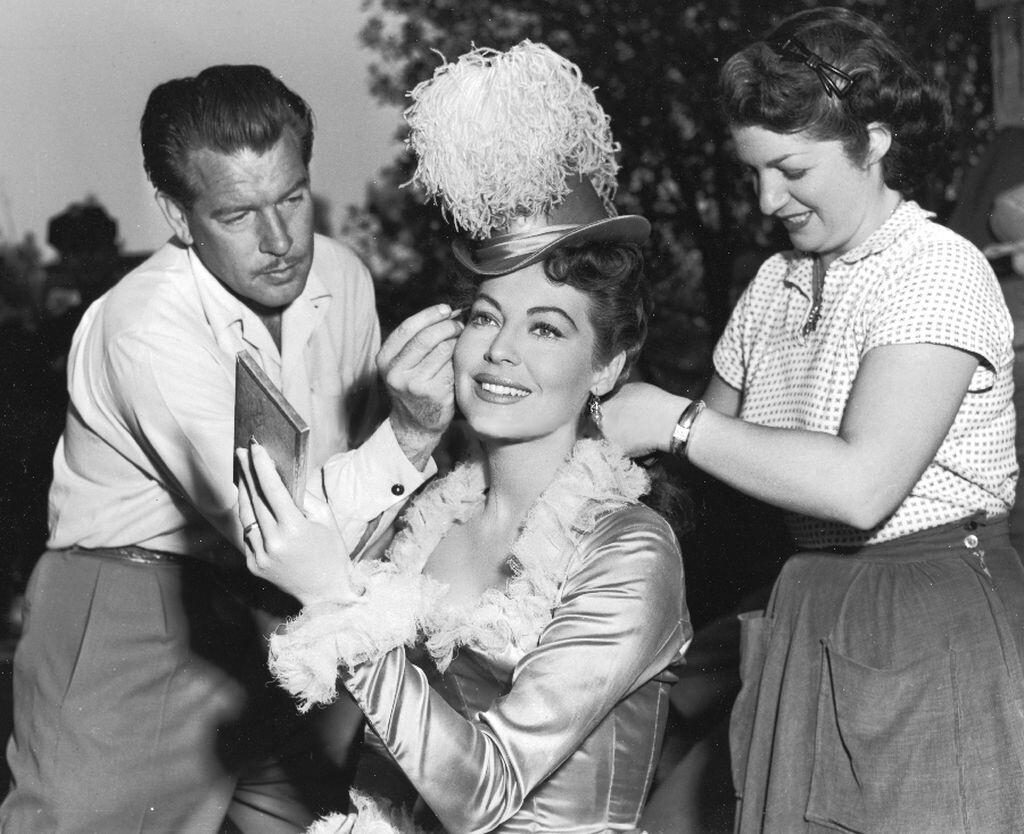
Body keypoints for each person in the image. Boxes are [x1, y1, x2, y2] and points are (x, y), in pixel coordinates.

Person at [236, 42, 692, 833]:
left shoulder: (630, 551)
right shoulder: (430, 518)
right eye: (486, 317)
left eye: (546, 328)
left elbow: (486, 792)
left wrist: (337, 598)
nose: (500, 351)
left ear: (608, 367)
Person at [0, 64, 459, 832]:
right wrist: (411, 436)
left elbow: (348, 486)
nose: (279, 242)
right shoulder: (145, 325)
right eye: (238, 215)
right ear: (176, 216)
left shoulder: (344, 277)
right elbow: (275, 527)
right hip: (141, 605)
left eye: (293, 198)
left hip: (300, 608)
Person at [600, 8, 1024, 832]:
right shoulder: (776, 285)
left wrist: (675, 420)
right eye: (754, 172)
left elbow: (862, 486)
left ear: (874, 142)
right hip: (807, 608)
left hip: (928, 617)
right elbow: (700, 474)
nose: (767, 199)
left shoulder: (936, 270)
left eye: (790, 169)